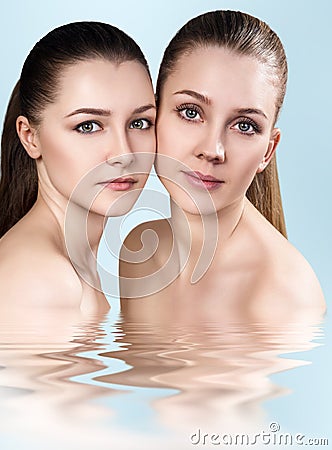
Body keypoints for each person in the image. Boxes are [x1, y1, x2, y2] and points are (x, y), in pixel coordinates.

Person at [120, 10, 325, 321]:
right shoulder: (138, 250)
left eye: (244, 126)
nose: (212, 150)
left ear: (268, 151)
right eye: (191, 112)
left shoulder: (287, 297)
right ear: (154, 115)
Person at [0, 22, 156, 316]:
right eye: (88, 126)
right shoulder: (45, 281)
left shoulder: (67, 265)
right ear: (30, 137)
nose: (125, 154)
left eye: (139, 123)